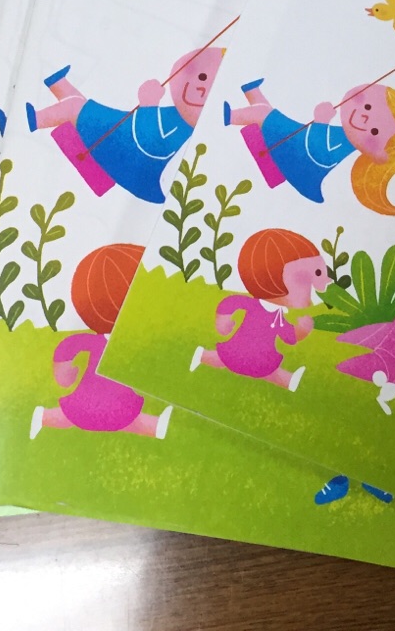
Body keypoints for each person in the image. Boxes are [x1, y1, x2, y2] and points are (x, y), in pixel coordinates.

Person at [27, 47, 222, 203]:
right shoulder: (178, 115)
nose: (200, 89)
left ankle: (36, 119)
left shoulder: (186, 128)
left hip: (138, 167)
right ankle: (58, 85)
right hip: (130, 145)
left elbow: (153, 145)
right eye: (202, 78)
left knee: (78, 110)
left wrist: (149, 105)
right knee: (88, 110)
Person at [30, 243, 171, 440]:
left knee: (69, 417)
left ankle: (44, 417)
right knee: (130, 419)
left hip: (85, 405)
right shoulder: (122, 344)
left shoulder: (102, 342)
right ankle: (153, 427)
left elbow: (65, 351)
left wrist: (66, 376)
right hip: (113, 404)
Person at [226, 79, 395, 216]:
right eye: (368, 107)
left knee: (264, 115)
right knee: (271, 117)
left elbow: (320, 155)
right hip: (298, 146)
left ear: (378, 155)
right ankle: (252, 93)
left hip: (299, 163)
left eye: (375, 131)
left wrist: (321, 122)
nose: (364, 117)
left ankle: (229, 117)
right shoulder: (342, 135)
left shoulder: (342, 144)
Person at [191, 228, 330, 390]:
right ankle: (202, 356)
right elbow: (230, 304)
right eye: (303, 282)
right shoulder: (261, 309)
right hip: (243, 354)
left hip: (254, 357)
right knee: (252, 366)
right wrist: (223, 323)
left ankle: (203, 356)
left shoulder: (278, 317)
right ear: (273, 281)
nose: (307, 295)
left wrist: (303, 330)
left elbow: (290, 336)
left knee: (234, 361)